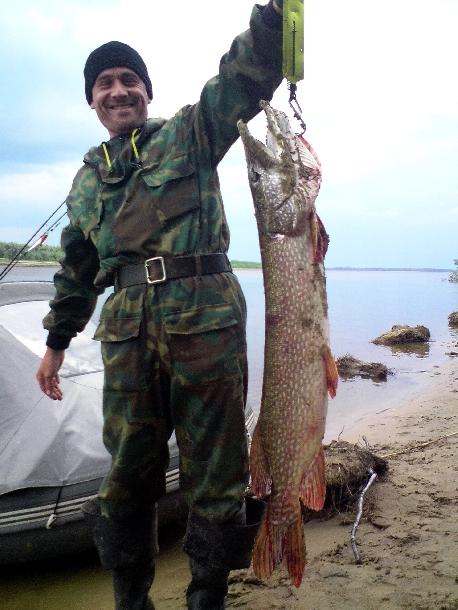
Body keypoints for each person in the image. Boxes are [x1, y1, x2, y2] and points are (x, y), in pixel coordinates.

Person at [36, 1, 284, 608]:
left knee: (217, 473)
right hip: (126, 336)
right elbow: (77, 272)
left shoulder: (191, 133)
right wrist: (56, 344)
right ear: (92, 101)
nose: (118, 90)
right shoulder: (86, 182)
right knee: (127, 473)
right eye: (105, 83)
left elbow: (244, 77)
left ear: (147, 91)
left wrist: (276, 18)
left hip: (206, 323)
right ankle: (131, 599)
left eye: (130, 80)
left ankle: (207, 596)